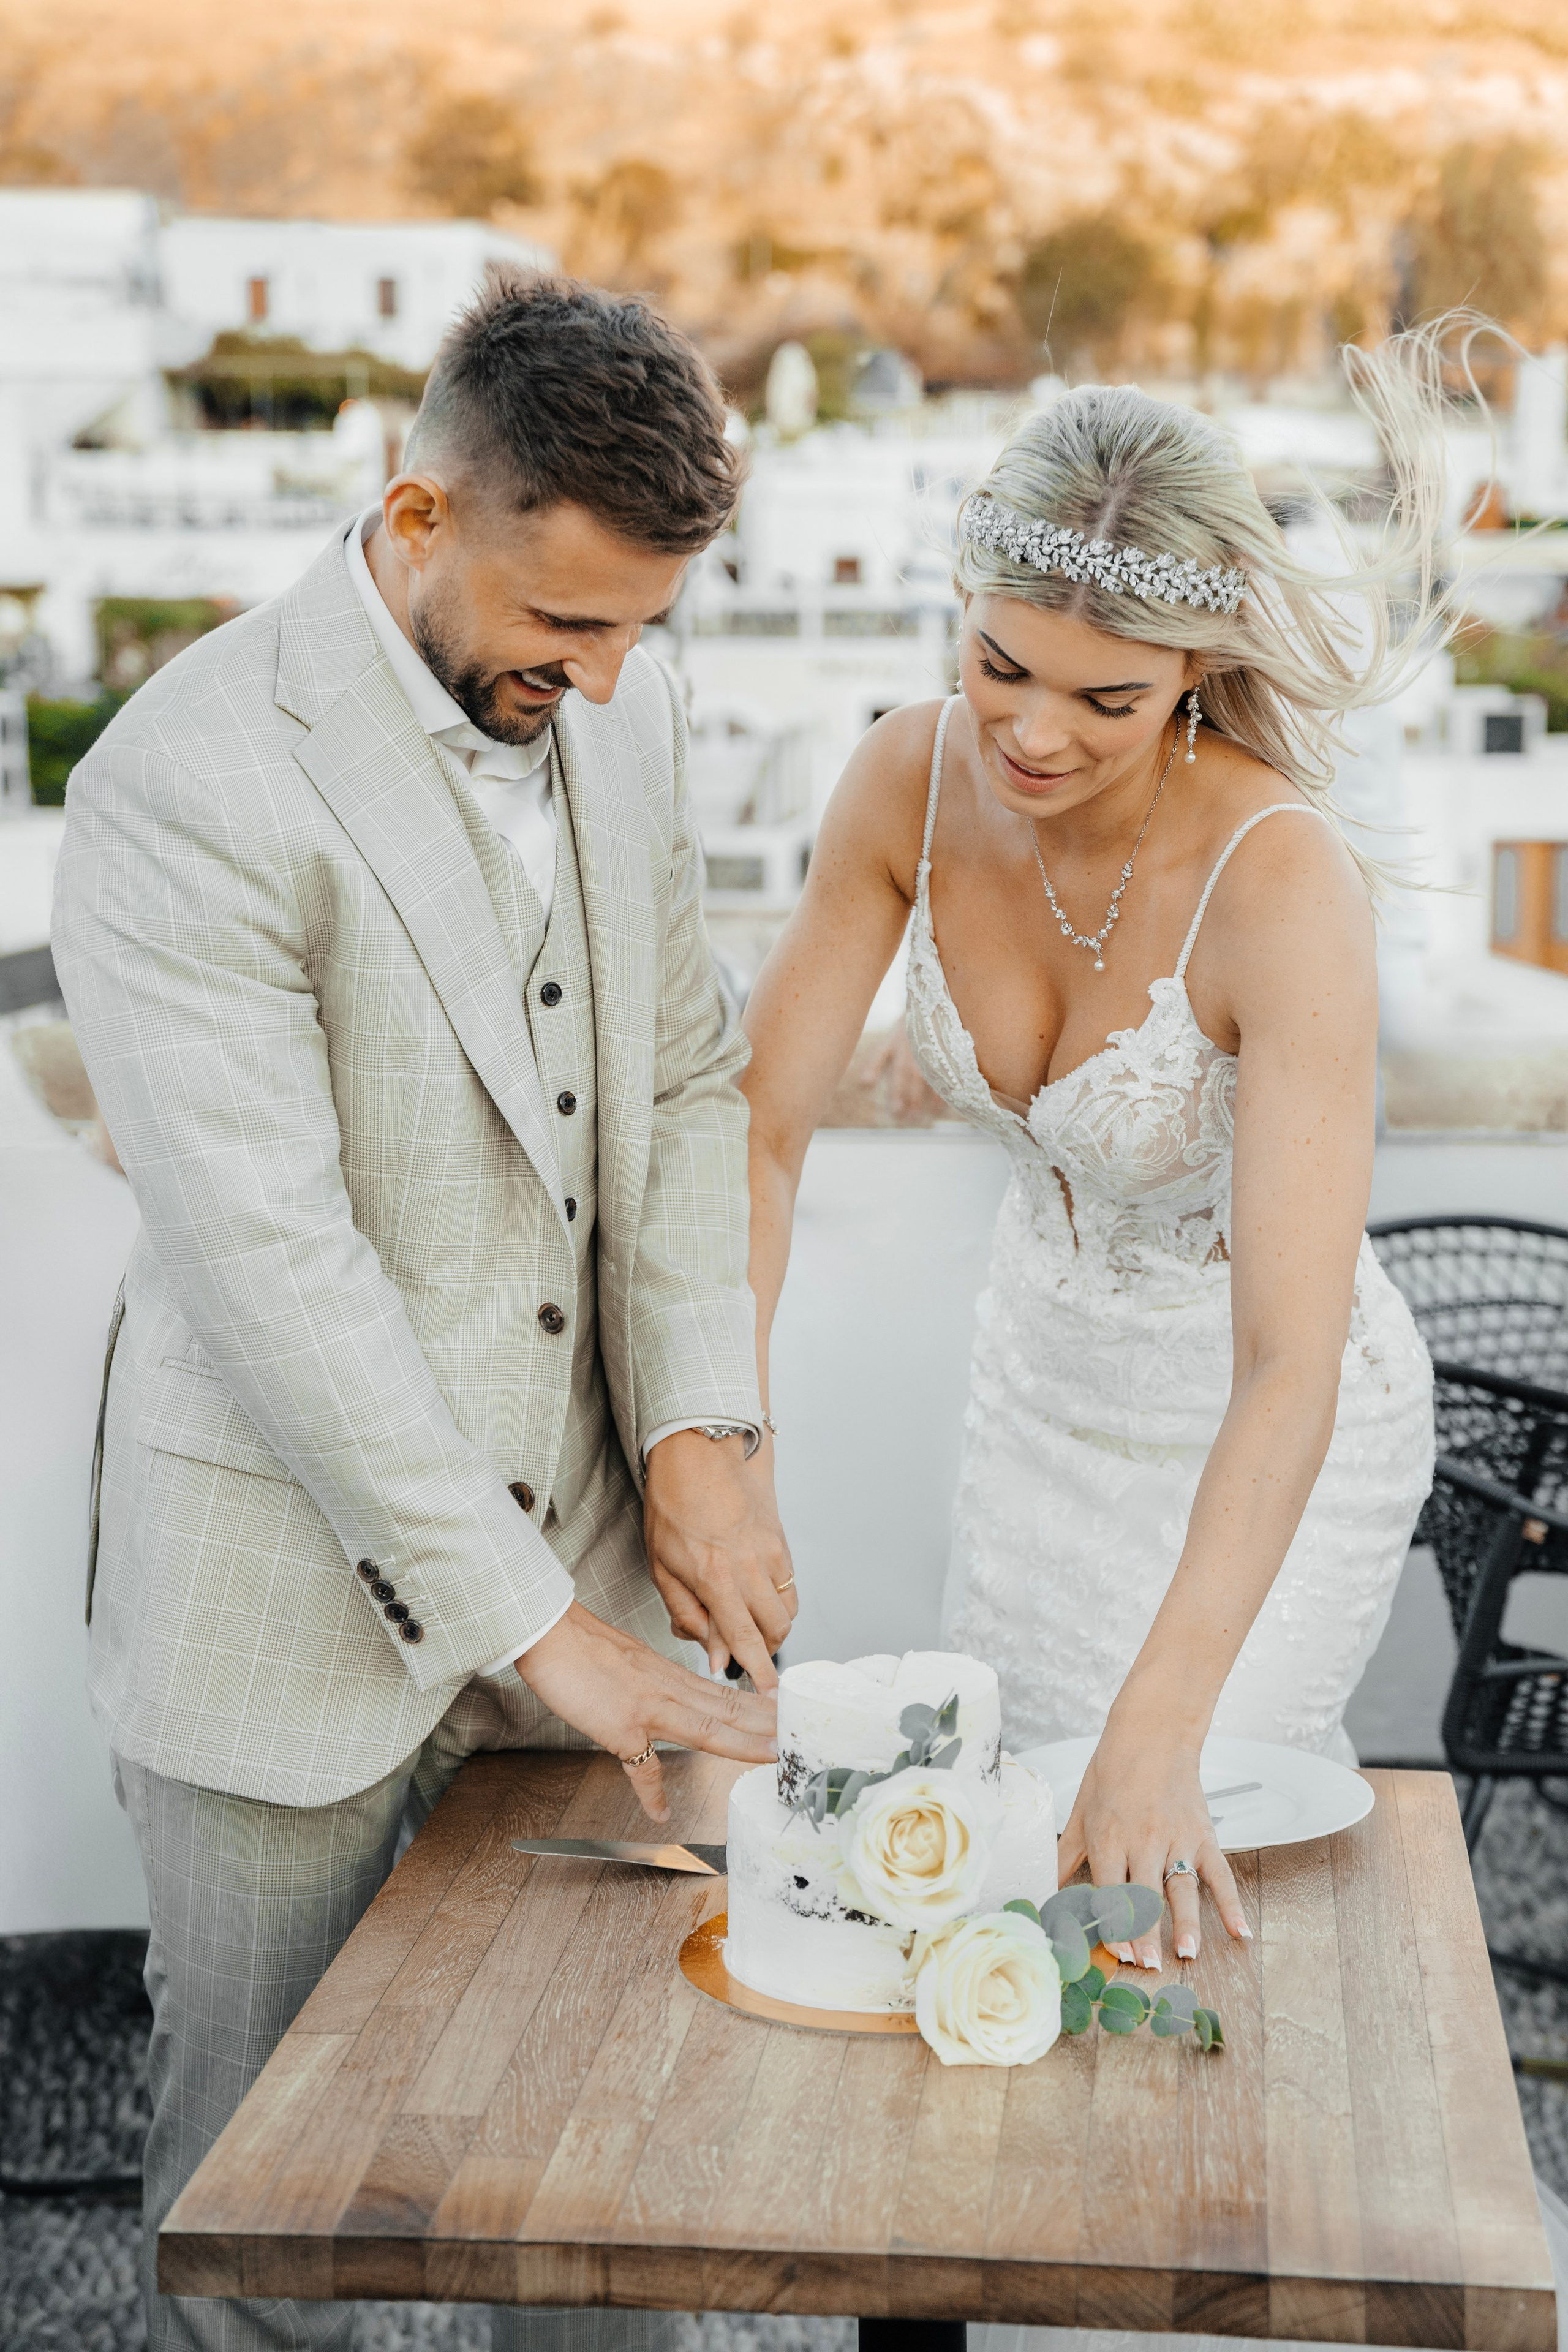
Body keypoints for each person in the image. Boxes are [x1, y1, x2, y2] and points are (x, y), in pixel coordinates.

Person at [52, 271, 795, 2352]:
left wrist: (699, 1438)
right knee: (264, 2203)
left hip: (588, 1550)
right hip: (273, 1606)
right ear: (411, 521)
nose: (611, 673)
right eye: (566, 627)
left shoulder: (614, 722)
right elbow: (270, 1266)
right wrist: (540, 1635)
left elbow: (677, 1079)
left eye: (644, 627)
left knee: (591, 2170)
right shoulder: (179, 784)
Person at [741, 327, 1458, 1975]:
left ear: (1196, 670)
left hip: (1273, 1427)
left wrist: (1165, 1715)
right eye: (1000, 665)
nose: (1036, 735)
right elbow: (762, 1133)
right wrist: (731, 1438)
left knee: (1161, 1871)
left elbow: (1289, 1361)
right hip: (1039, 1392)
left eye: (1107, 698)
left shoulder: (1281, 883)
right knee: (1002, 1876)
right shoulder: (902, 780)